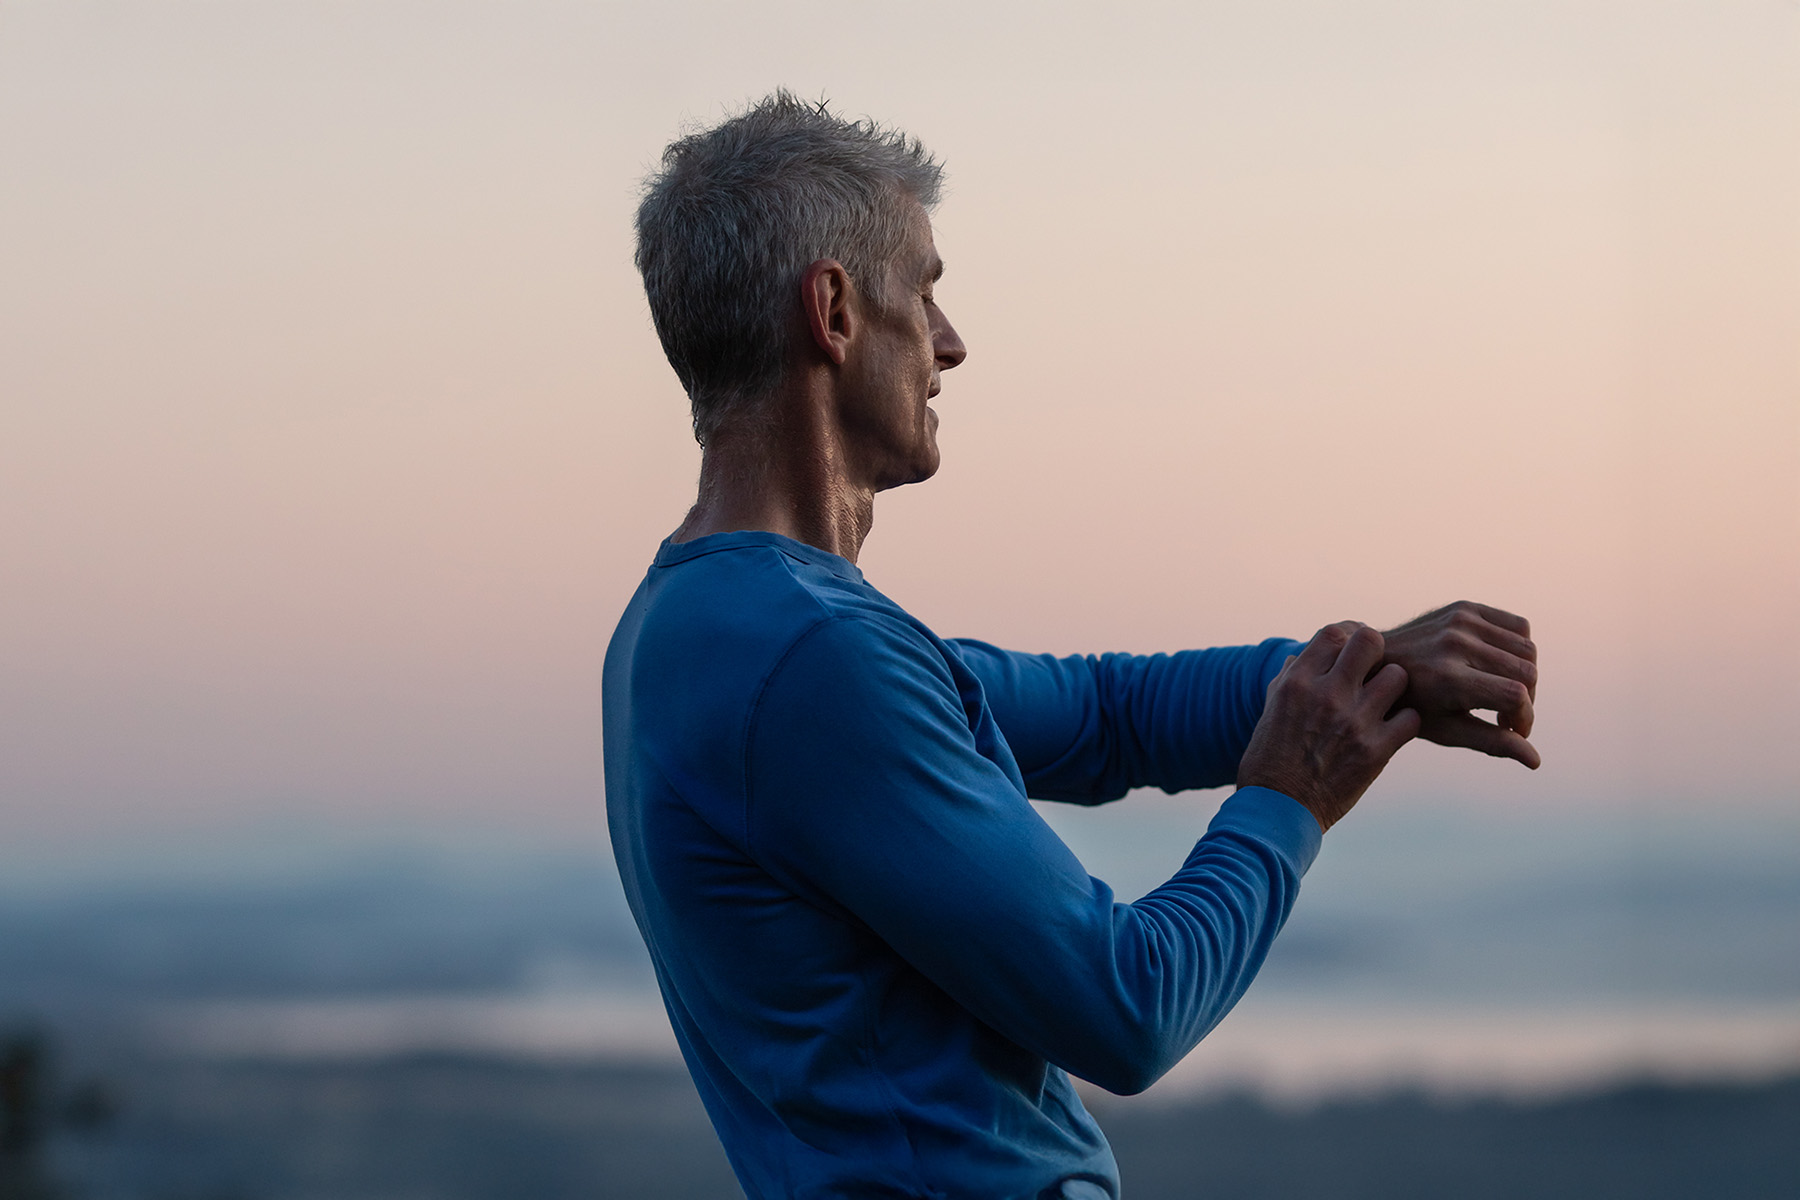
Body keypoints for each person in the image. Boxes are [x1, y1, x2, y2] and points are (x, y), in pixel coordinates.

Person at [603, 92, 1539, 1200]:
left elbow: (1103, 718)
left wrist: (1364, 668)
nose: (951, 342)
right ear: (836, 311)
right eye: (924, 290)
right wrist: (1292, 796)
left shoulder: (700, 625)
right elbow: (1127, 1006)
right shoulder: (816, 661)